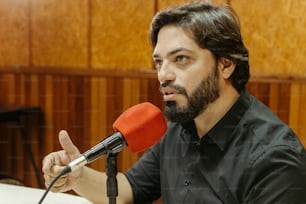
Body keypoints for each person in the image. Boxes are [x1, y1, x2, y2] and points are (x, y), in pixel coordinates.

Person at [42, 2, 306, 204]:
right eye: (159, 62)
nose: (163, 74)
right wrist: (78, 176)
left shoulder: (274, 158)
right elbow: (129, 190)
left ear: (225, 64)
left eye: (180, 59)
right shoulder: (180, 127)